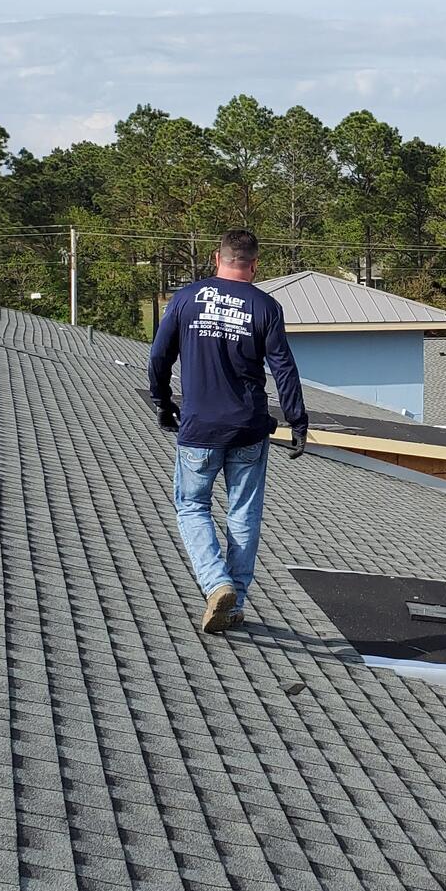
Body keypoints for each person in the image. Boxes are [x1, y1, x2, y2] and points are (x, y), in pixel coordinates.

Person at [149, 229, 308, 633]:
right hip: (249, 429)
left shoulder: (186, 299)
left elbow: (159, 356)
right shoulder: (265, 306)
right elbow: (284, 367)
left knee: (191, 506)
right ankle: (234, 598)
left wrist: (163, 403)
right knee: (243, 513)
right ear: (254, 265)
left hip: (200, 427)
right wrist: (298, 420)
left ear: (215, 257)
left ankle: (217, 584)